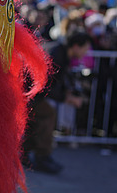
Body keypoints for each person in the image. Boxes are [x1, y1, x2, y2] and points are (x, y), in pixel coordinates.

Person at [23, 31, 93, 173]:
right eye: (85, 48)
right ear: (76, 46)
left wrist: (67, 94)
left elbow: (56, 82)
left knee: (34, 120)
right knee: (47, 114)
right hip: (30, 91)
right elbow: (48, 84)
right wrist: (67, 98)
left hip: (32, 92)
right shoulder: (57, 54)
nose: (86, 53)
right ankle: (41, 156)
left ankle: (26, 154)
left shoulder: (62, 53)